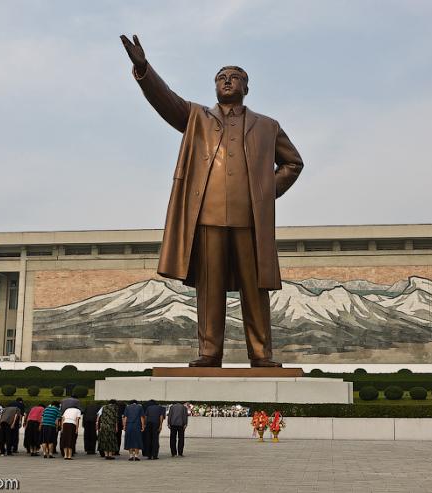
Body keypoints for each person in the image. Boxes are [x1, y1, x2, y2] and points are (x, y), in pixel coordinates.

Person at [121, 35, 304, 368]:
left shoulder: (267, 126)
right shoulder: (197, 118)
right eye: (221, 78)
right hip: (207, 216)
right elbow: (166, 101)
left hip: (249, 219)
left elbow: (293, 163)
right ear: (215, 86)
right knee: (209, 288)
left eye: (235, 77)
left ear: (246, 87)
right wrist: (144, 69)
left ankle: (261, 353)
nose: (227, 81)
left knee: (254, 289)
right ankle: (209, 352)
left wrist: (265, 191)